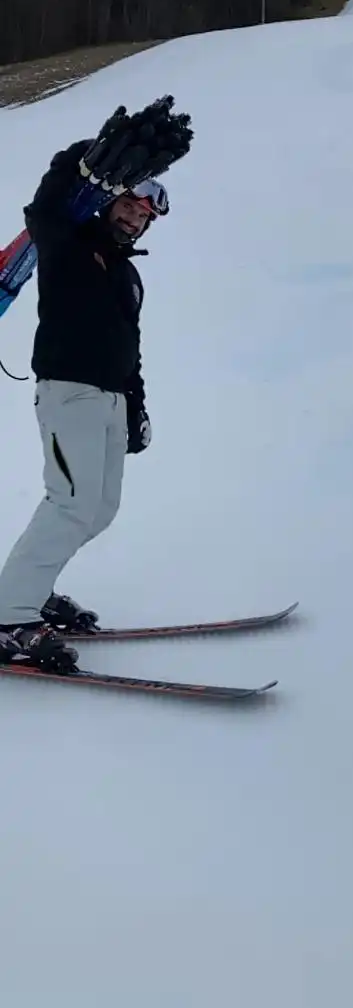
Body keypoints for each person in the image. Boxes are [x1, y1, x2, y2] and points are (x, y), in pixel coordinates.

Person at [0, 138, 169, 673]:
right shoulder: (68, 242)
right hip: (68, 390)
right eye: (128, 205)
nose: (135, 218)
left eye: (144, 215)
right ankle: (9, 616)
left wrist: (136, 406)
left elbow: (130, 349)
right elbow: (44, 208)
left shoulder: (127, 274)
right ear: (108, 201)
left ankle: (31, 587)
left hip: (111, 400)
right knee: (70, 502)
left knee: (98, 509)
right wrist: (85, 155)